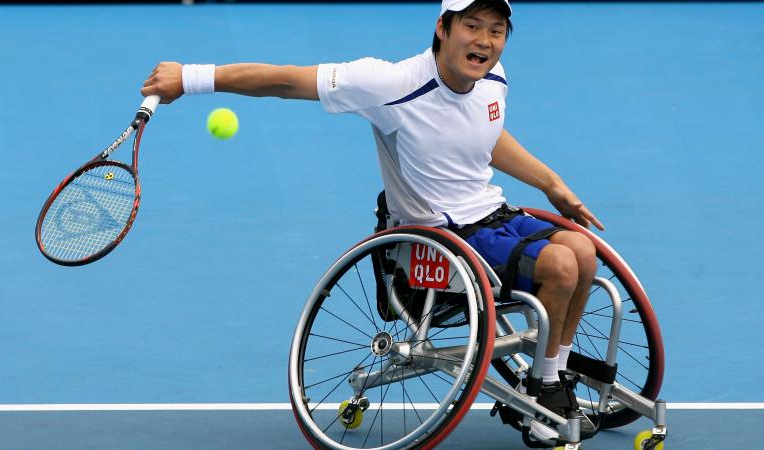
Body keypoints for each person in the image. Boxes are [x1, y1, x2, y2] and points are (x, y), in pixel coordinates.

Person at [141, 0, 603, 443]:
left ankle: (548, 378)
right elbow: (285, 82)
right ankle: (547, 388)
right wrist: (191, 77)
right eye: (472, 26)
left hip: (491, 215)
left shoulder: (492, 77)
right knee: (561, 267)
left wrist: (551, 183)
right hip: (438, 242)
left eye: (496, 30)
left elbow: (483, 133)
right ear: (442, 29)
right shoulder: (389, 84)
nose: (485, 40)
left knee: (583, 250)